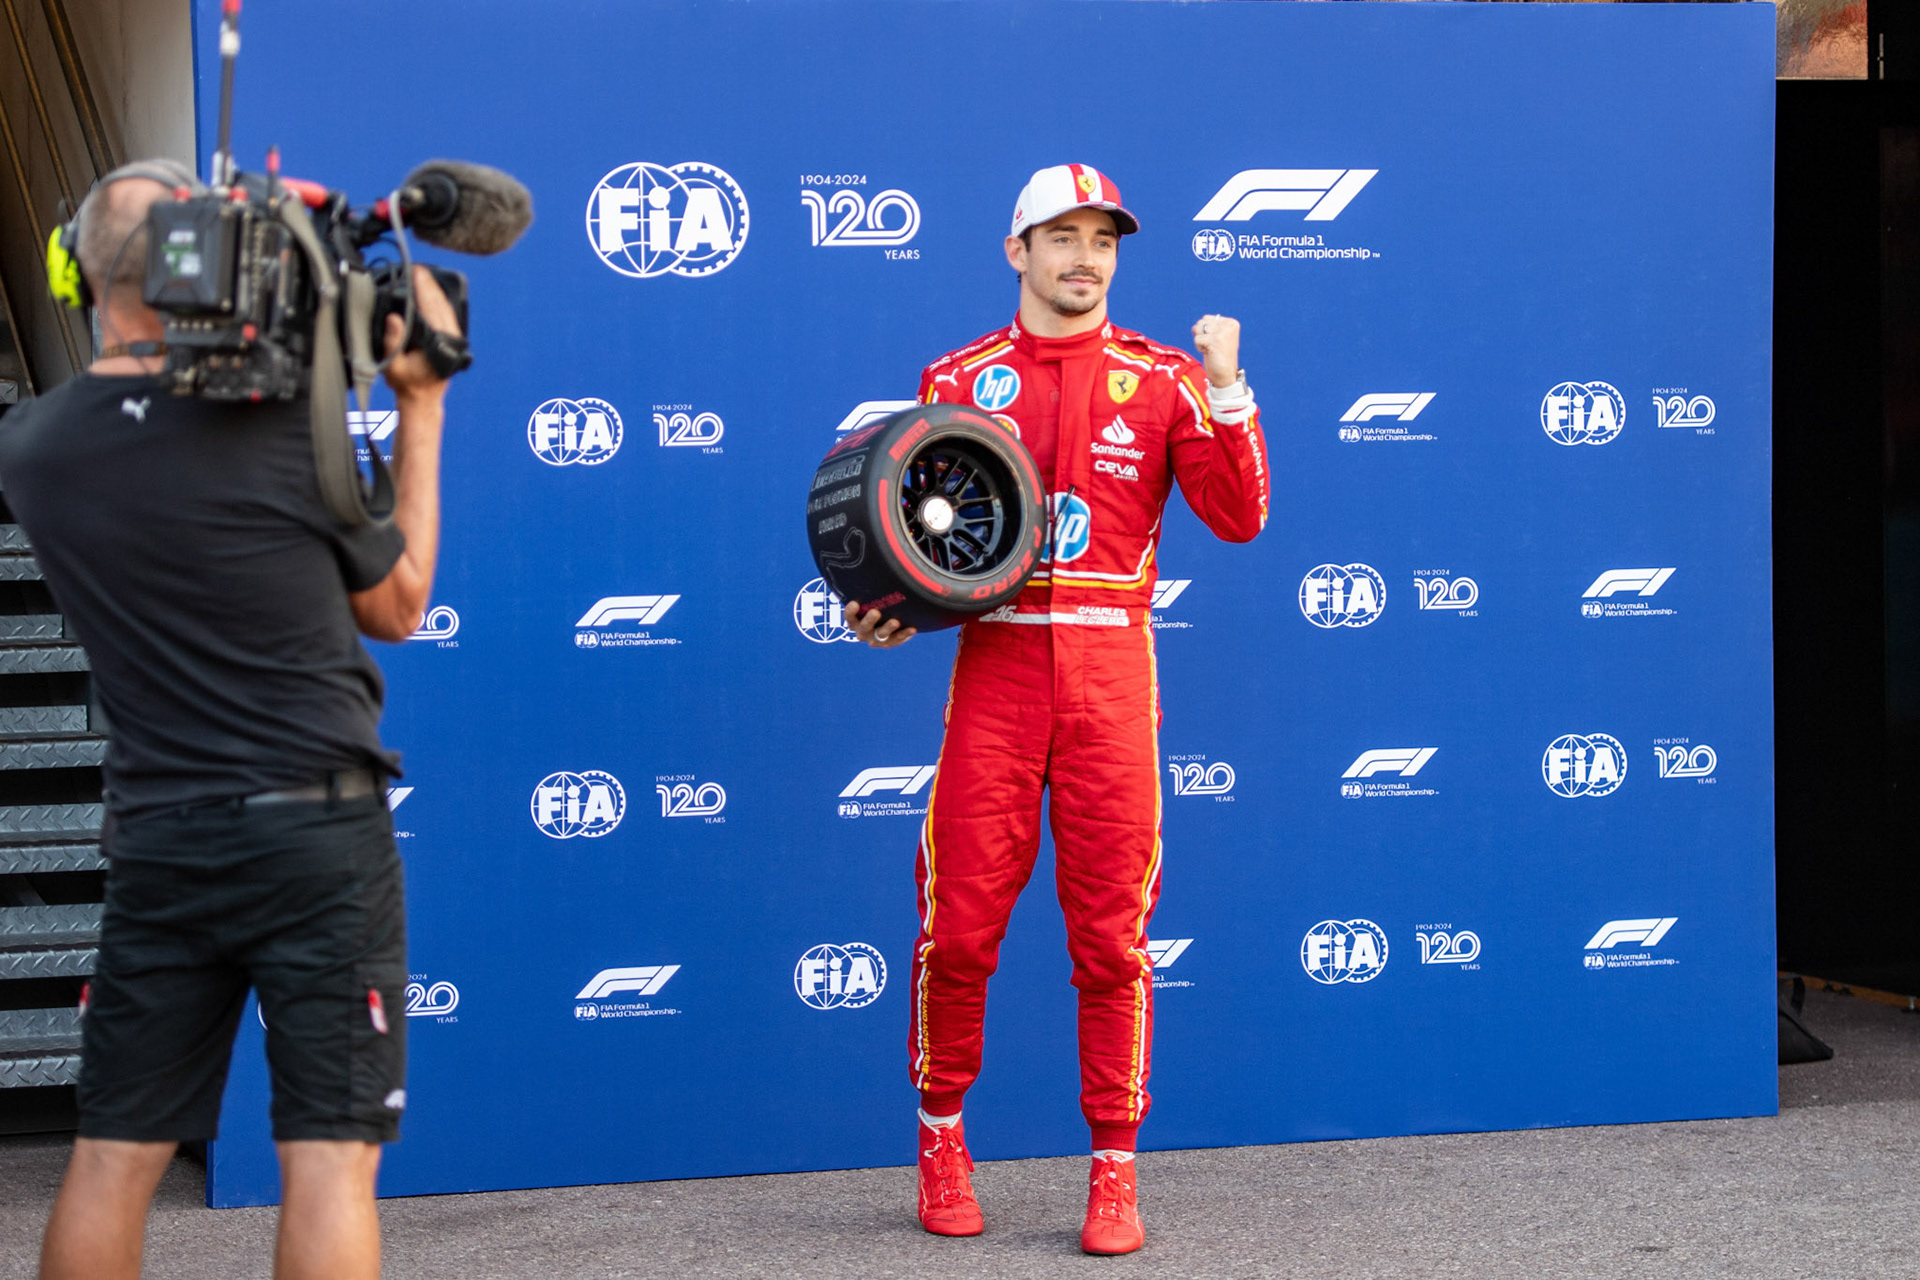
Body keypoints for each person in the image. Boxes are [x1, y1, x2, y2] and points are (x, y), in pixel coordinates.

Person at [0, 160, 461, 1280]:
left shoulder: (33, 447)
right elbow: (400, 604)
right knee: (328, 1163)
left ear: (75, 273)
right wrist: (421, 401)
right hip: (318, 838)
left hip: (158, 838)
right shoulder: (276, 421)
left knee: (114, 1155)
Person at [843, 163, 1270, 1255]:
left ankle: (1114, 1171)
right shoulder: (957, 376)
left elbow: (1240, 516)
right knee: (959, 928)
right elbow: (920, 538)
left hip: (1112, 675)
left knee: (1114, 941)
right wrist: (885, 606)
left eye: (1104, 241)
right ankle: (941, 1139)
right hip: (995, 674)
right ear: (1016, 249)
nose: (1086, 259)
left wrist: (1230, 389)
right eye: (1063, 237)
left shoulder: (1167, 376)